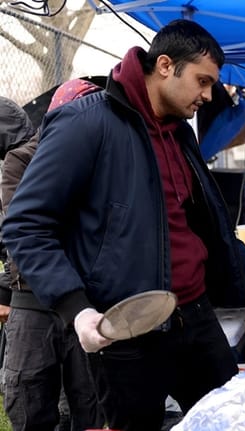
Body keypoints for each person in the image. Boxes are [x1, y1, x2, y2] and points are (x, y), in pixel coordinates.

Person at [1, 20, 245, 431]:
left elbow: (208, 232)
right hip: (127, 331)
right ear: (165, 65)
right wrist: (76, 309)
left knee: (235, 420)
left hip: (196, 319)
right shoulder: (86, 122)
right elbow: (25, 225)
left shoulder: (181, 135)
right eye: (202, 81)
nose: (208, 95)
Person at [1, 84, 106, 431]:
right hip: (31, 301)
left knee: (91, 401)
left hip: (86, 300)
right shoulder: (22, 159)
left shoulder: (102, 156)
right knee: (29, 400)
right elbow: (26, 231)